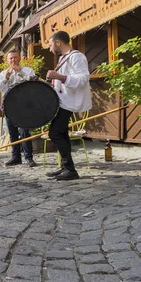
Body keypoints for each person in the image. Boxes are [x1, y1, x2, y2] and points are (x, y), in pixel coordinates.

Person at [46, 31, 92, 180]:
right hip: (62, 101)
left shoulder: (77, 57)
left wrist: (59, 76)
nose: (50, 48)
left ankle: (70, 169)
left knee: (55, 133)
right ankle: (65, 167)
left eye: (51, 44)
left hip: (68, 102)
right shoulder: (64, 58)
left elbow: (83, 78)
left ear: (58, 42)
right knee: (62, 133)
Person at [0, 50, 38, 168]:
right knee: (12, 132)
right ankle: (15, 157)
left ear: (20, 58)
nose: (13, 60)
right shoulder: (3, 73)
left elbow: (33, 81)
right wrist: (6, 78)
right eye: (11, 58)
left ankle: (29, 157)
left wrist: (20, 72)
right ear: (7, 61)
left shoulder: (27, 70)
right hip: (9, 105)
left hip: (23, 105)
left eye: (15, 57)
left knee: (24, 131)